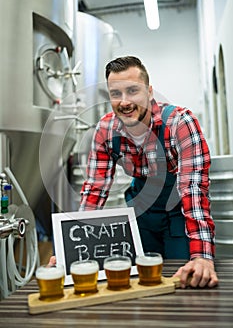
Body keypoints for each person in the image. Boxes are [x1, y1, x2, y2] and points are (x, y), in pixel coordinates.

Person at [50, 56, 219, 289]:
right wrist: (69, 252)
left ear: (149, 92)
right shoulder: (106, 130)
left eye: (133, 91)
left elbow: (193, 190)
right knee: (141, 283)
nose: (124, 101)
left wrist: (202, 258)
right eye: (115, 93)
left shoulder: (179, 123)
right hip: (140, 214)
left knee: (186, 281)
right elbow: (94, 192)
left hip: (179, 213)